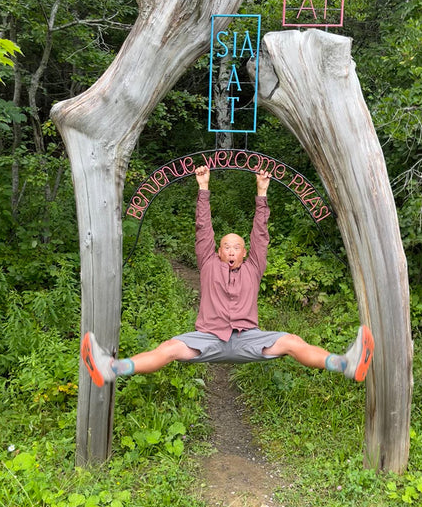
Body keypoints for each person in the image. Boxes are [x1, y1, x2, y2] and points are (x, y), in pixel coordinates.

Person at [81, 166, 374, 388]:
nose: (232, 250)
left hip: (249, 339)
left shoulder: (253, 266)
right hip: (208, 338)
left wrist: (262, 194)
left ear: (245, 253)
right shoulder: (208, 262)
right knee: (168, 348)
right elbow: (203, 229)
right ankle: (111, 368)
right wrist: (203, 188)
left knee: (293, 342)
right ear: (218, 251)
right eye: (226, 246)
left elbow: (260, 234)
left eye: (237, 247)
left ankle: (346, 364)